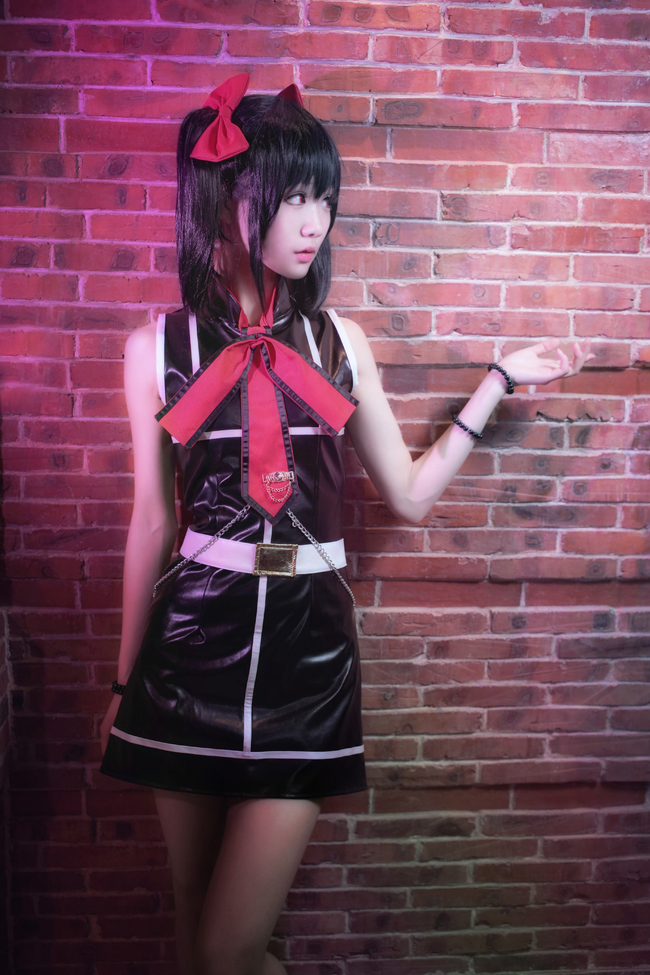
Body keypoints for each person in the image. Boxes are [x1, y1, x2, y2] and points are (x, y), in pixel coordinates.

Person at [99, 74, 594, 975]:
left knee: (227, 950)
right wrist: (122, 680)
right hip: (187, 654)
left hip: (307, 655)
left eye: (324, 199)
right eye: (293, 196)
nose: (315, 221)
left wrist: (497, 382)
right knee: (193, 938)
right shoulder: (153, 350)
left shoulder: (341, 344)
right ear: (224, 198)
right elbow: (152, 521)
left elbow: (407, 494)